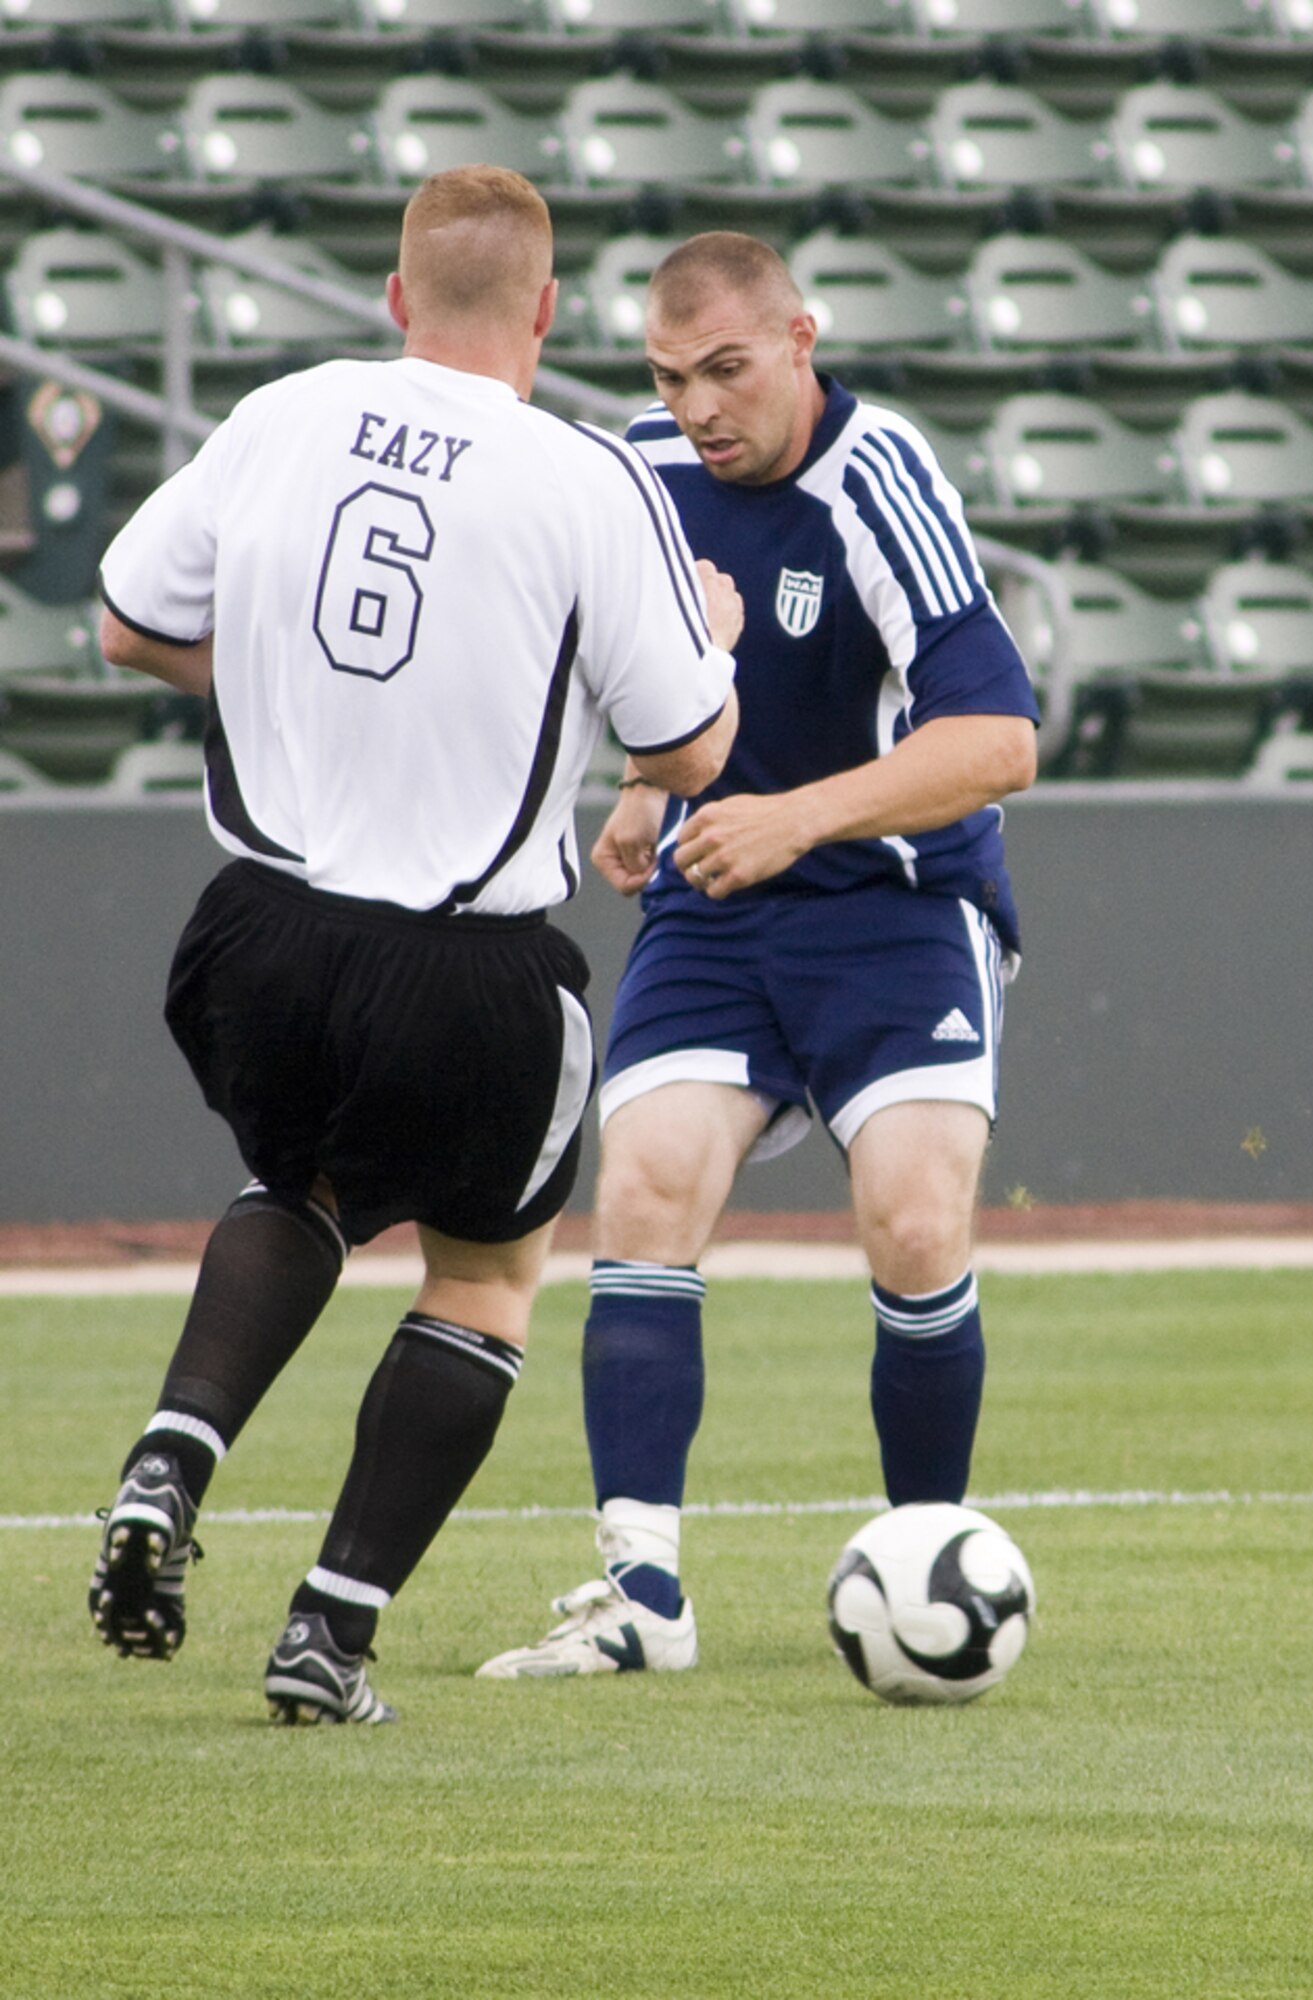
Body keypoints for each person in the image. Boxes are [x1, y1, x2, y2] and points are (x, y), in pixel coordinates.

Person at [86, 166, 741, 1724]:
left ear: (395, 298)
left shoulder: (283, 412)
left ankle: (169, 1460)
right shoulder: (588, 481)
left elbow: (122, 622)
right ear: (546, 309)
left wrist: (280, 683)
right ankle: (330, 1629)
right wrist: (703, 637)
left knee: (298, 1184)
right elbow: (696, 754)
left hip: (251, 934)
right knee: (487, 1274)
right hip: (459, 962)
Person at [477, 230, 1039, 1681]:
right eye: (673, 375)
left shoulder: (880, 476)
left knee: (916, 1219)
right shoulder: (642, 472)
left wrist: (794, 820)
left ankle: (927, 1563)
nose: (703, 404)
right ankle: (642, 1598)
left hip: (899, 904)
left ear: (801, 337)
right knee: (648, 1184)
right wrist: (647, 792)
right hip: (719, 906)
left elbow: (998, 742)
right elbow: (641, 679)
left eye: (729, 367)